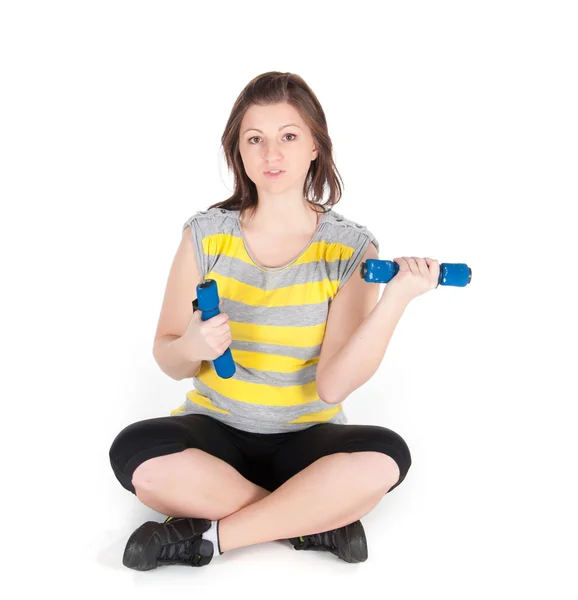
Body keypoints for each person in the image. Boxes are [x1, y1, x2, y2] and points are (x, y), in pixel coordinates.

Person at [109, 71, 440, 571]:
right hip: (215, 430)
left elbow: (333, 386)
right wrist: (193, 344)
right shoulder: (205, 234)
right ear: (237, 151)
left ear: (314, 147)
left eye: (288, 136)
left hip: (307, 436)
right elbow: (169, 359)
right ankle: (313, 518)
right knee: (137, 454)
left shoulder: (351, 248)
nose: (272, 154)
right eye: (255, 139)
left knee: (384, 458)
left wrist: (396, 300)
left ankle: (207, 538)